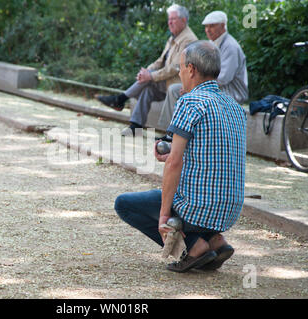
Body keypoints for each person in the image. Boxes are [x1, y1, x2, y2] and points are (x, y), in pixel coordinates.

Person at [114, 40, 247, 273]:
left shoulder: (190, 101)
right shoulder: (235, 107)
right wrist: (174, 154)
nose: (180, 73)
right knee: (195, 196)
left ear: (192, 70)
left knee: (124, 205)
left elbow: (175, 163)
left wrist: (164, 217)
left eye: (181, 68)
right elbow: (211, 154)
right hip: (230, 210)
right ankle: (216, 240)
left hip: (199, 207)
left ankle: (194, 246)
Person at [96, 4, 197, 136]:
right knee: (148, 89)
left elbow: (175, 68)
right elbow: (160, 61)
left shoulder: (188, 39)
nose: (170, 22)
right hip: (167, 82)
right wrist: (146, 72)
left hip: (180, 84)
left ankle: (120, 99)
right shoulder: (173, 37)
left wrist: (151, 76)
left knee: (149, 82)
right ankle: (135, 126)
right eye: (169, 19)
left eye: (173, 19)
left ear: (183, 20)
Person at [156, 10, 248, 140]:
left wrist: (193, 88)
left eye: (212, 26)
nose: (207, 30)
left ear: (222, 26)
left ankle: (179, 137)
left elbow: (222, 78)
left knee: (183, 93)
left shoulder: (230, 46)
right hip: (211, 89)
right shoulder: (211, 44)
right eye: (206, 26)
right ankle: (171, 133)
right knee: (174, 89)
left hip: (230, 93)